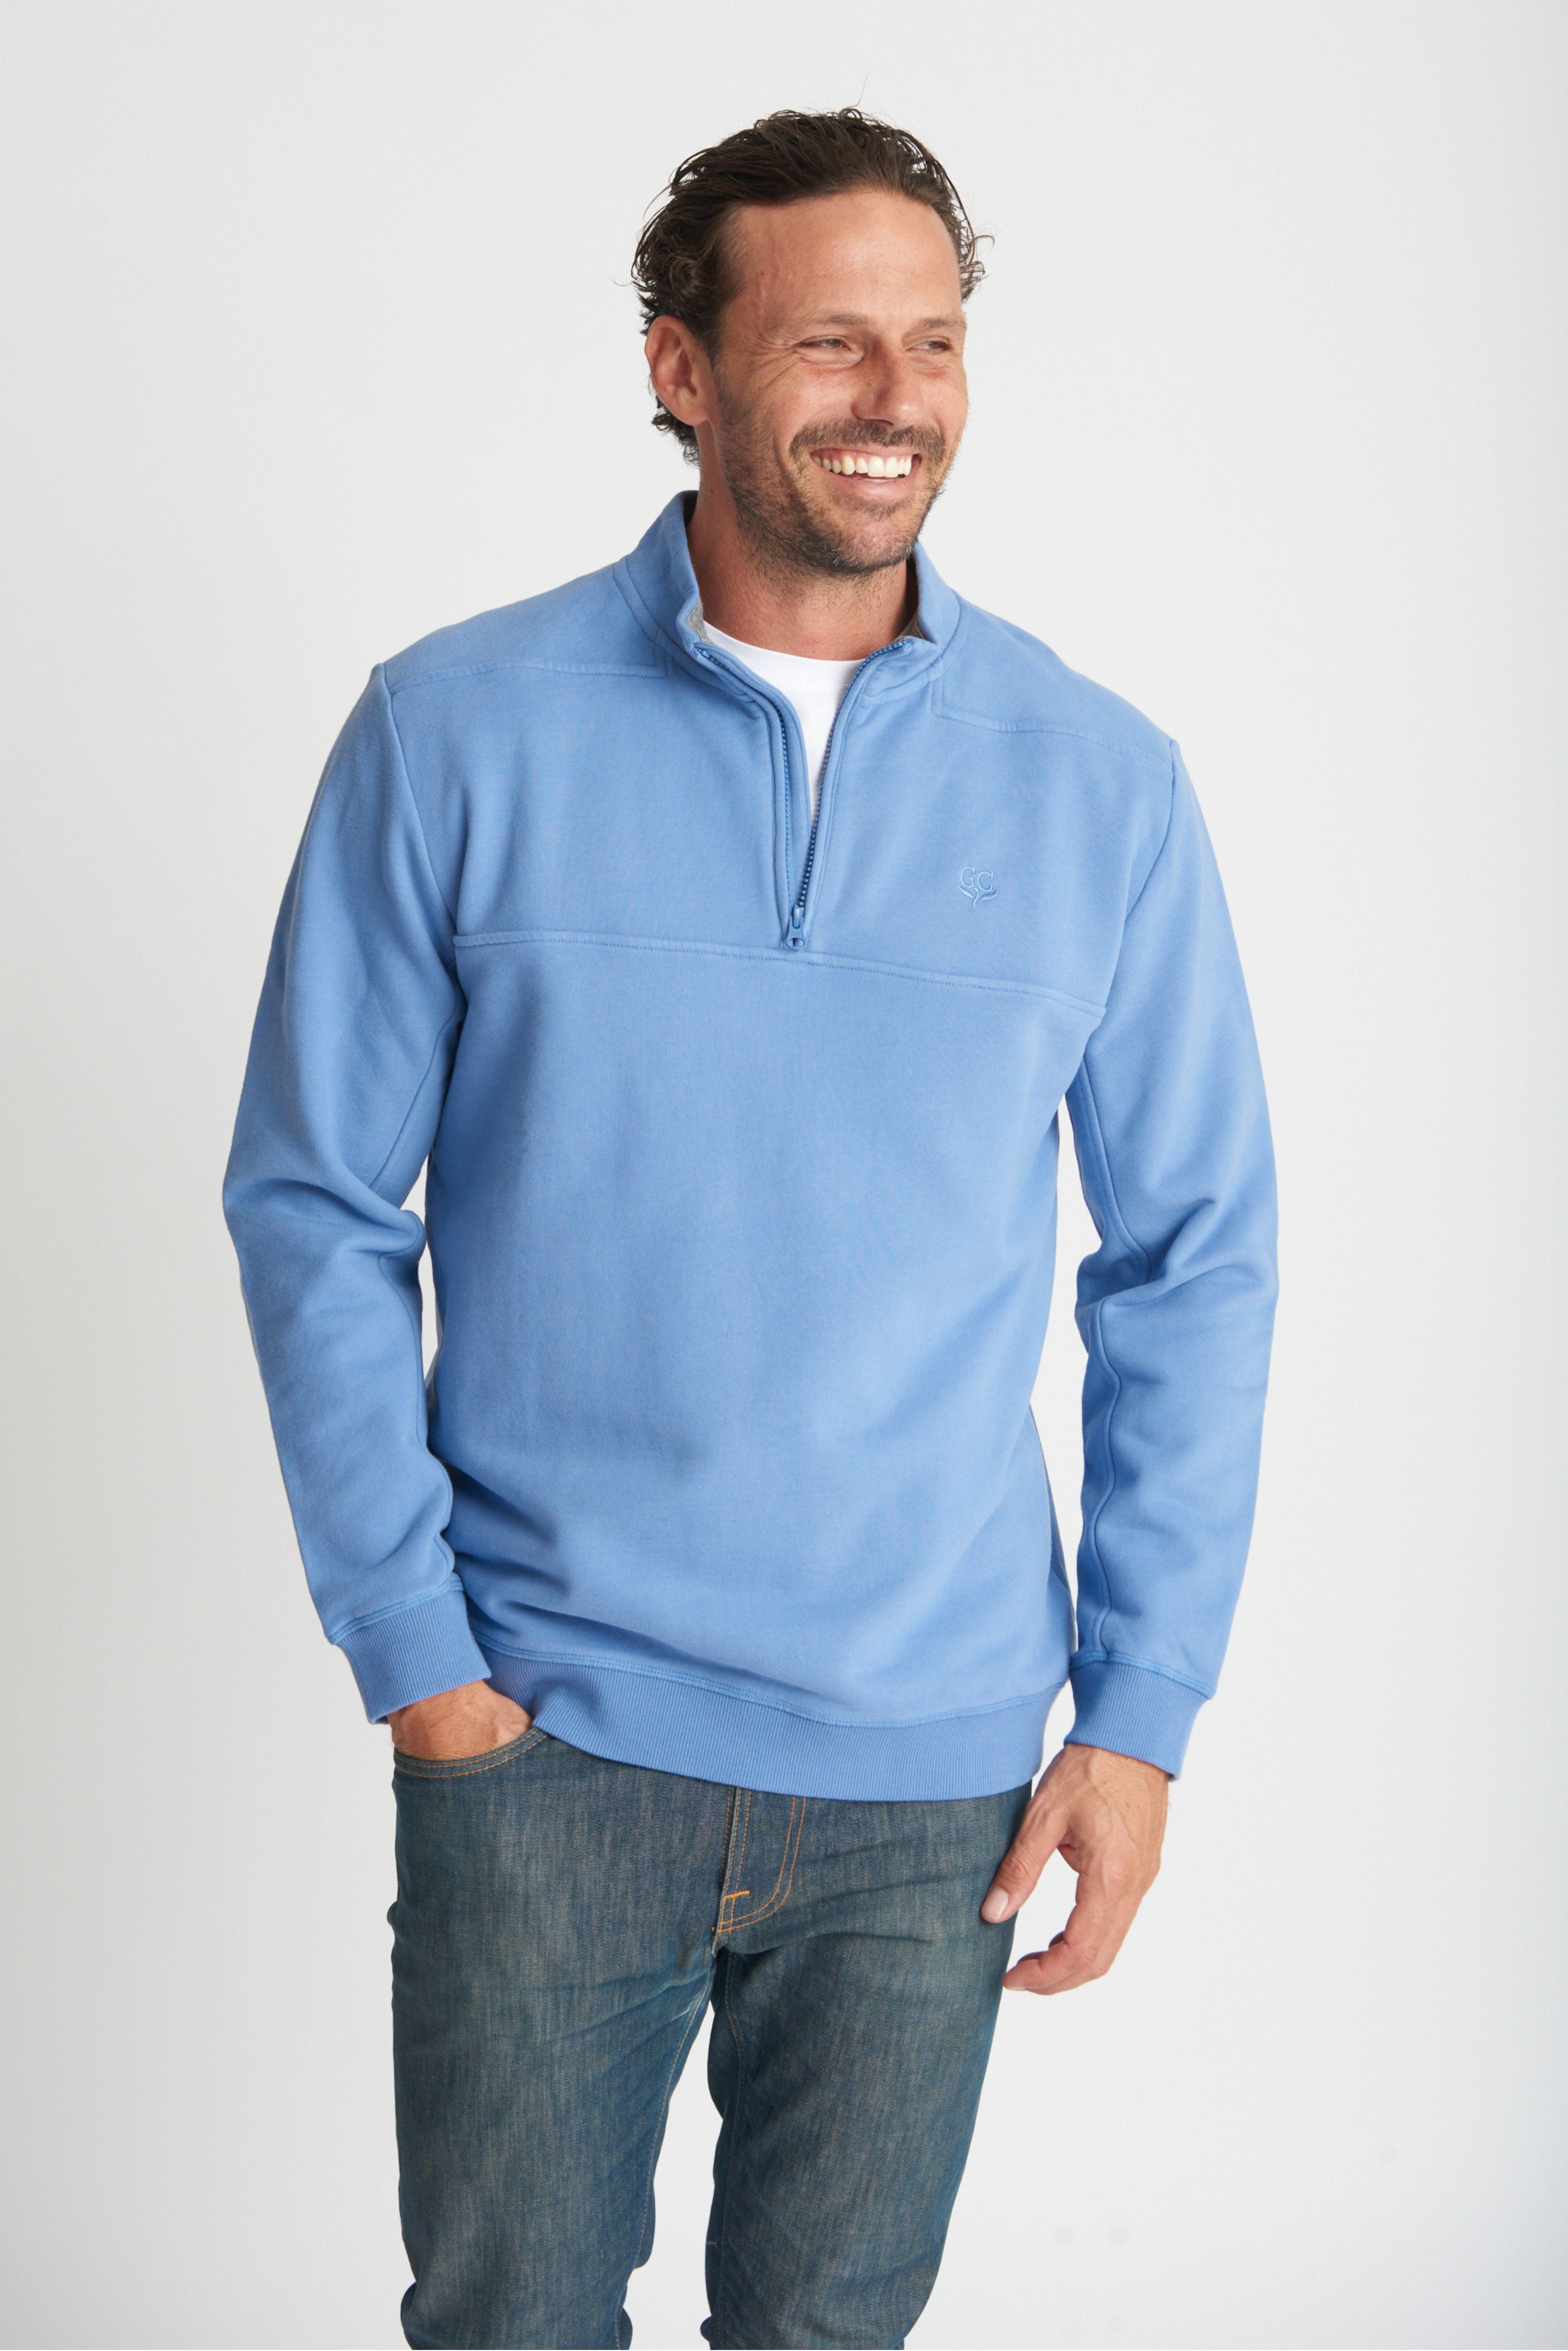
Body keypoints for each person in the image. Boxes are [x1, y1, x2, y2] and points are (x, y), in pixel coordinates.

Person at [224, 106, 1277, 2351]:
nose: (894, 399)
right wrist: (419, 1662)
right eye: (827, 342)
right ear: (680, 368)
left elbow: (1190, 1259)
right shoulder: (453, 729)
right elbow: (311, 1201)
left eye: (933, 342)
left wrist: (1139, 1712)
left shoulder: (1099, 782)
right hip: (546, 1734)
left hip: (937, 1775)